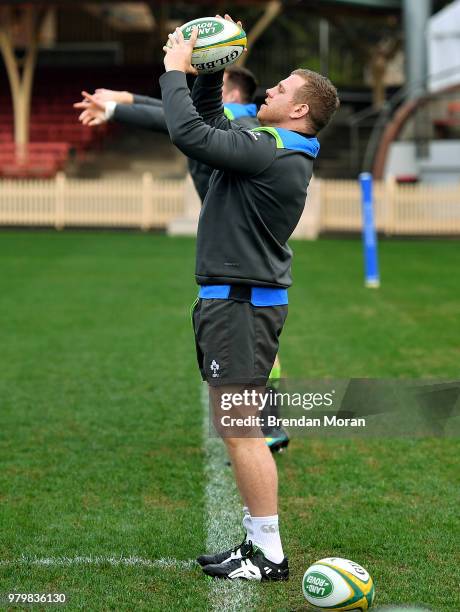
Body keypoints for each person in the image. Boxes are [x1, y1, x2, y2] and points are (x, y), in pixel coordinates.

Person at [160, 17, 339, 581]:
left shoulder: (273, 152)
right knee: (237, 429)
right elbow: (210, 120)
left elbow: (190, 135)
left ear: (300, 110)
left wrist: (175, 70)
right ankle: (254, 541)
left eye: (282, 89)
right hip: (235, 303)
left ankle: (270, 553)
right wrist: (210, 71)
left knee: (241, 431)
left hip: (241, 307)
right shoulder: (275, 145)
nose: (269, 91)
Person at [74, 65, 290, 453]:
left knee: (251, 338)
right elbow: (173, 112)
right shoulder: (233, 120)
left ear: (233, 95)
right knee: (257, 341)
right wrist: (124, 99)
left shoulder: (240, 119)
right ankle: (270, 422)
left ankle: (268, 425)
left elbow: (172, 119)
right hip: (237, 235)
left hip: (241, 241)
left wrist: (117, 110)